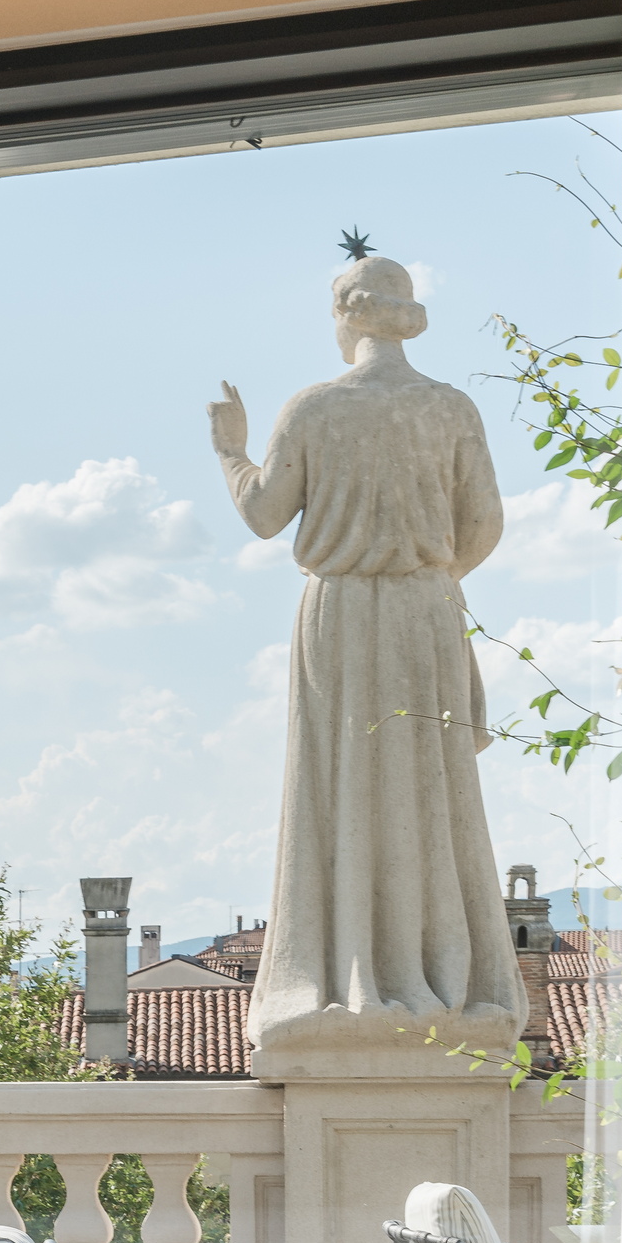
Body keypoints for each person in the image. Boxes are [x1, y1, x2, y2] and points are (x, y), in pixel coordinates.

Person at [210, 246, 523, 1052]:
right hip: (427, 611)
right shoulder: (449, 408)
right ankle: (447, 976)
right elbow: (485, 522)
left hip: (342, 613)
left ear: (345, 316)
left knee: (340, 786)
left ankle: (346, 974)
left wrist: (231, 451)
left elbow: (264, 514)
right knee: (431, 788)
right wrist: (430, 574)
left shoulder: (314, 408)